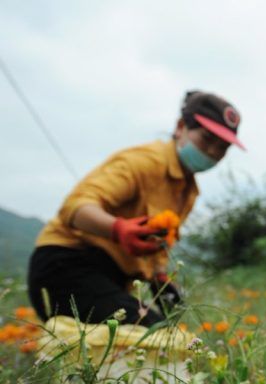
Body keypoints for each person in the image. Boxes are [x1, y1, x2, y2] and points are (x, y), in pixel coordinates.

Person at [27, 90, 245, 326]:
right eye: (207, 139)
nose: (212, 151)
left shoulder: (188, 192)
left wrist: (160, 278)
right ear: (181, 127)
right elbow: (75, 207)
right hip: (65, 266)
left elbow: (158, 245)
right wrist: (118, 229)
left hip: (112, 279)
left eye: (222, 148)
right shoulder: (143, 162)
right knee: (151, 333)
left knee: (162, 334)